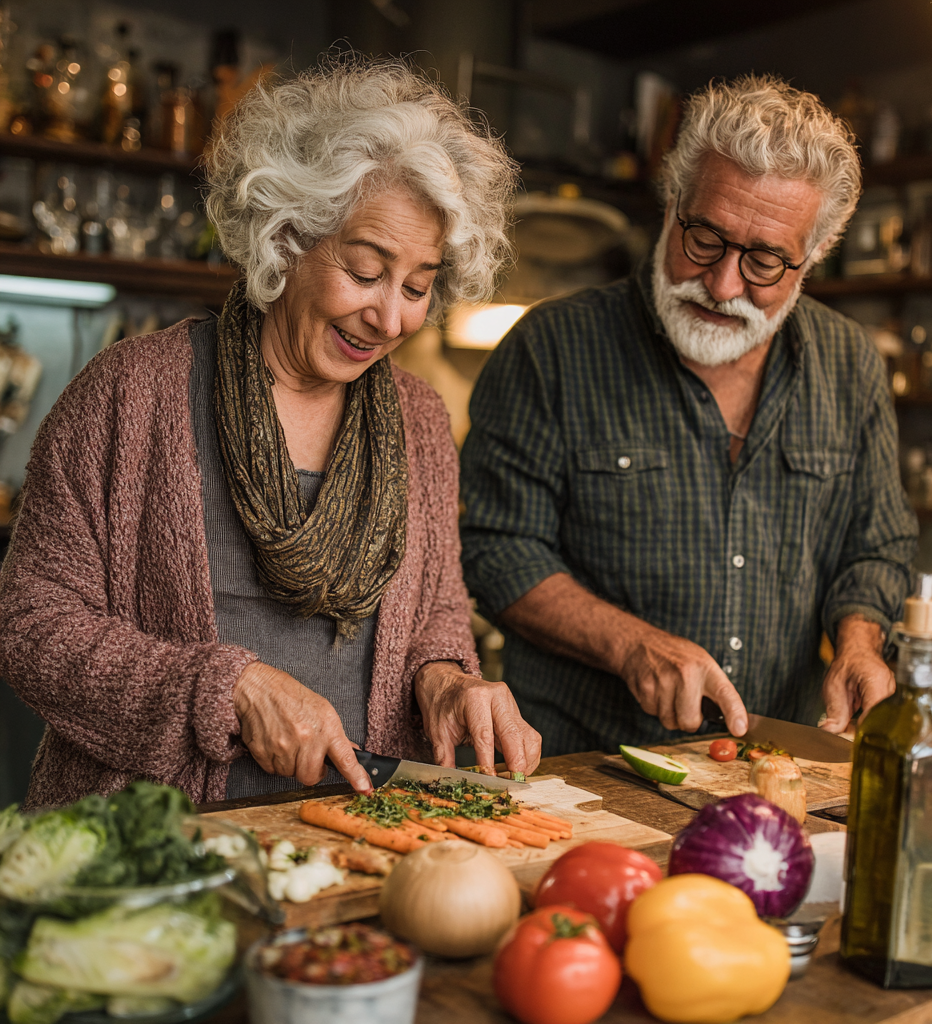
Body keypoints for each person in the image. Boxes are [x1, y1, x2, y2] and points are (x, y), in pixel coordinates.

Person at [0, 60, 541, 810]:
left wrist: (450, 680)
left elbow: (436, 619)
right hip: (160, 848)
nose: (389, 318)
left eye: (416, 287)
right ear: (285, 237)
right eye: (363, 271)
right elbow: (31, 630)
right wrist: (226, 691)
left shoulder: (419, 423)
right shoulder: (130, 394)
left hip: (358, 838)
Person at [459, 75, 918, 756]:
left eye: (764, 260)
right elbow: (494, 546)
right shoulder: (550, 350)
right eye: (704, 237)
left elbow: (876, 545)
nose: (723, 283)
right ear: (673, 203)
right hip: (582, 769)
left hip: (770, 765)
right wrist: (628, 645)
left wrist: (859, 642)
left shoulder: (848, 363)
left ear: (812, 257)